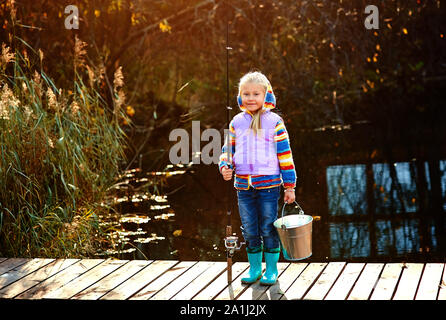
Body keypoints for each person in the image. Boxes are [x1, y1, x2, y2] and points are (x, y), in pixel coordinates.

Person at [218, 71, 297, 285]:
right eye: (246, 93)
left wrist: (289, 186)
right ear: (239, 96)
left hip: (269, 187)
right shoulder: (236, 122)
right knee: (249, 228)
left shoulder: (274, 122)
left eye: (255, 93)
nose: (250, 98)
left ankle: (271, 270)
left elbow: (285, 155)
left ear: (266, 96)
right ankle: (254, 268)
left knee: (268, 227)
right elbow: (227, 150)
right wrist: (225, 166)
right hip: (243, 187)